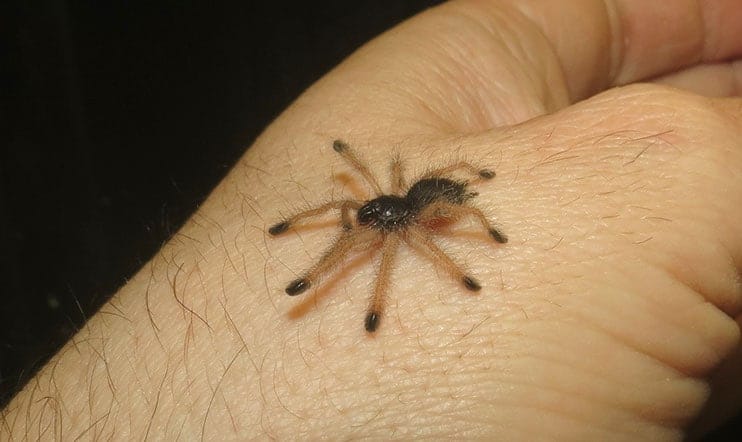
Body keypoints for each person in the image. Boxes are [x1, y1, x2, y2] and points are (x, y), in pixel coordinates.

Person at [2, 0, 740, 439]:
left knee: (390, 238)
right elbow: (348, 185)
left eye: (365, 211)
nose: (358, 218)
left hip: (431, 194)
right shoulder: (373, 204)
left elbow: (392, 252)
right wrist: (294, 238)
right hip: (423, 191)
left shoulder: (401, 224)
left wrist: (384, 292)